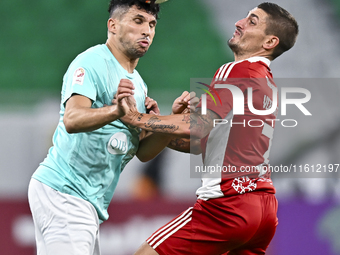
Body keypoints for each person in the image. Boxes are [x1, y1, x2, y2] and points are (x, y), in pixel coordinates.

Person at [120, 2, 299, 254]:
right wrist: (163, 125)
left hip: (227, 206)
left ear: (269, 42)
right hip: (264, 212)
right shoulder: (266, 83)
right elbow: (199, 144)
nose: (240, 23)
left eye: (252, 21)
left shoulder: (237, 70)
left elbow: (196, 127)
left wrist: (135, 118)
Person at [27, 0, 192, 254]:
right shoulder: (91, 62)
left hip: (87, 202)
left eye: (151, 24)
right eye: (138, 21)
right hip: (64, 191)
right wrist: (116, 110)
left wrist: (166, 123)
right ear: (112, 26)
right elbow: (72, 119)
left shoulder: (138, 84)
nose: (147, 30)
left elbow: (143, 153)